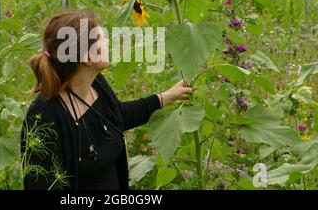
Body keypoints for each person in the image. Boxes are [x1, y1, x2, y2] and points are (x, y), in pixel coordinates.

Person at [21, 11, 193, 190]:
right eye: (102, 39)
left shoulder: (96, 85)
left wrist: (167, 97)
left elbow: (118, 116)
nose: (108, 42)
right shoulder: (44, 117)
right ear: (88, 58)